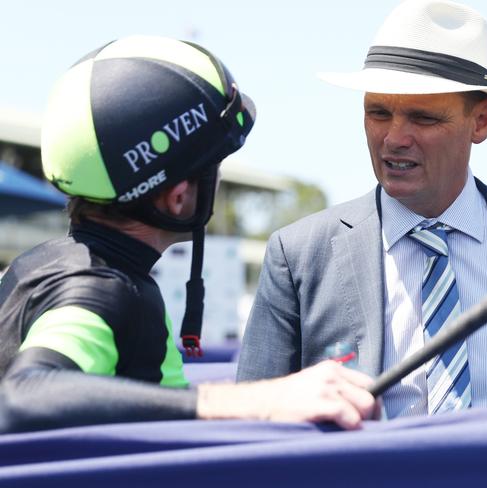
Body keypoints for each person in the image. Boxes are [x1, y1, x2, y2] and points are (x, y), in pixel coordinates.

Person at [237, 0, 487, 417]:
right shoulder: (299, 254)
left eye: (423, 118)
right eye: (378, 113)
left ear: (481, 121)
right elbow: (252, 424)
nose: (394, 137)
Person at [0, 35, 377, 433]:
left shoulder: (42, 263)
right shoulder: (101, 289)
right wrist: (258, 401)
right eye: (213, 166)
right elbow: (24, 395)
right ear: (178, 197)